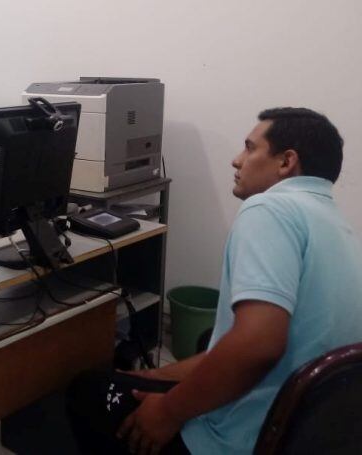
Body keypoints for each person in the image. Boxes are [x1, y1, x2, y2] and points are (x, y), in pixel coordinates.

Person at [67, 107, 362, 454]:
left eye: (250, 148)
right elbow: (248, 344)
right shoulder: (342, 230)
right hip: (303, 432)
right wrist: (160, 378)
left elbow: (257, 345)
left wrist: (168, 410)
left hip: (240, 436)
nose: (237, 160)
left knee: (88, 389)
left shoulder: (268, 210)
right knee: (194, 349)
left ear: (286, 162)